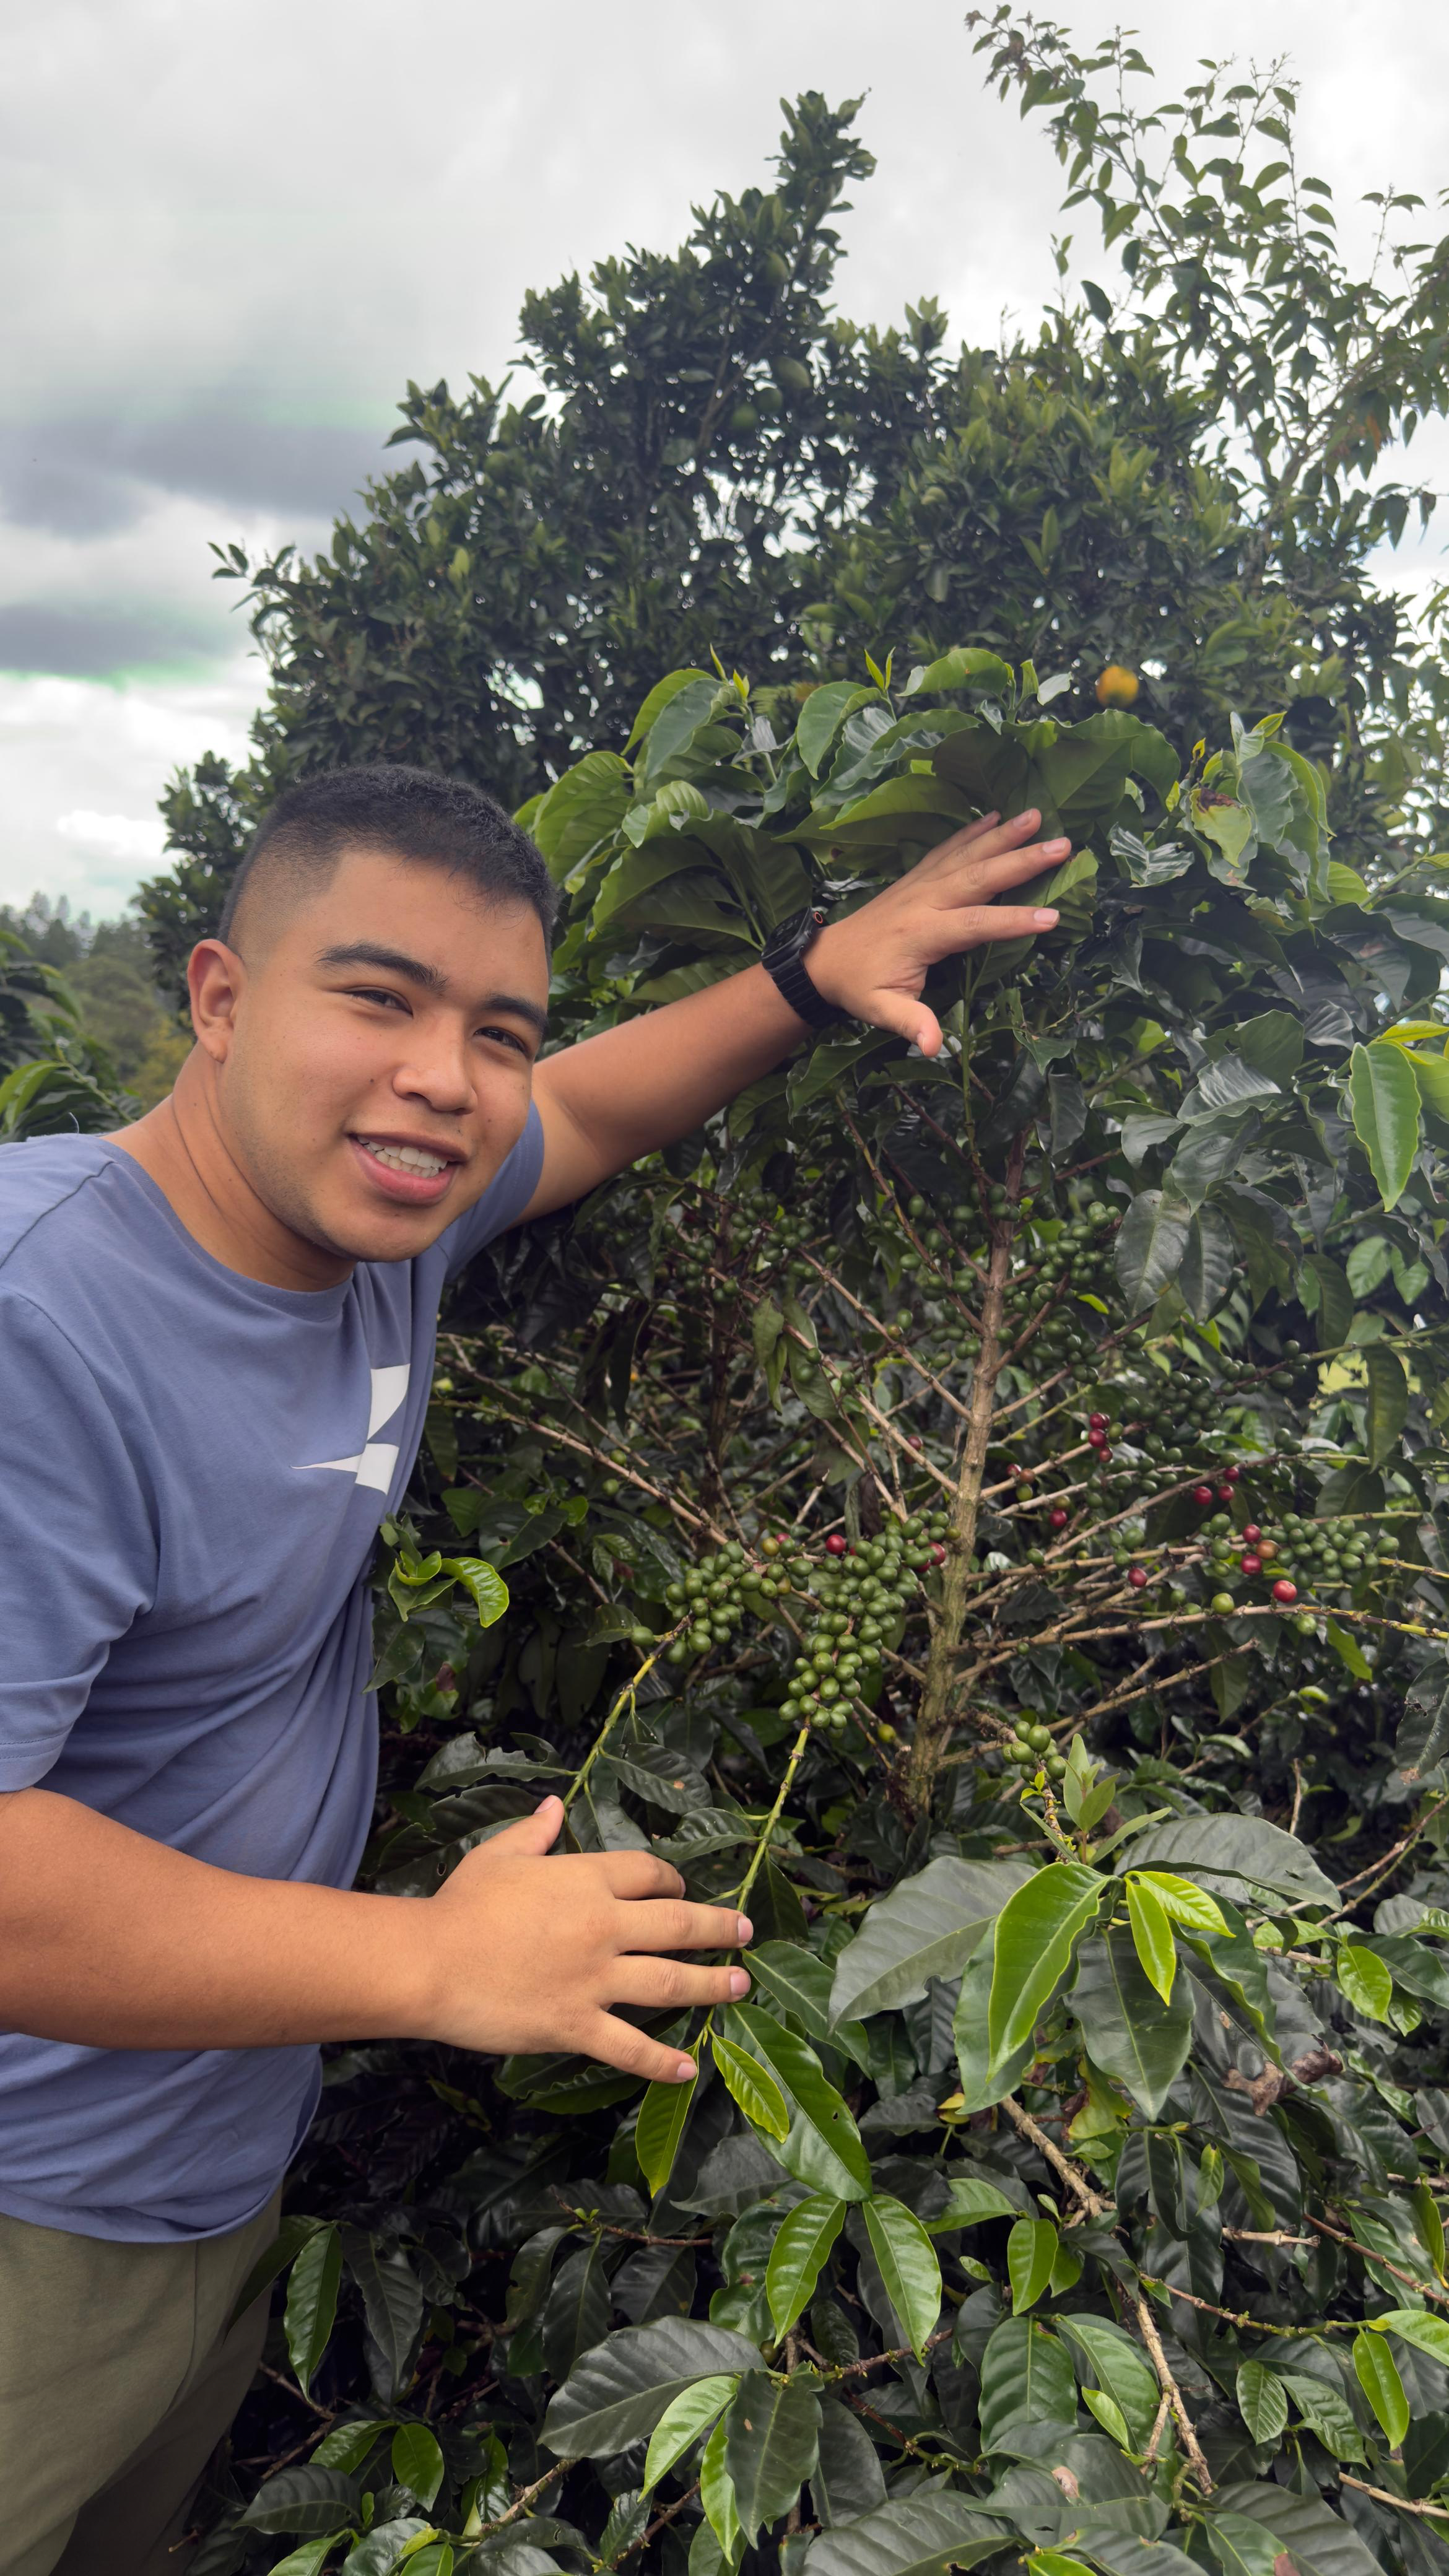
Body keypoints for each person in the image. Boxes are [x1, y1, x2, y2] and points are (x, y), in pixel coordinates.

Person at [0, 761, 1067, 2571]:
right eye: (377, 999)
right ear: (218, 996)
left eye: (494, 1025)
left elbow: (577, 1113)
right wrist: (430, 1958)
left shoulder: (376, 1219)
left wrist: (812, 977)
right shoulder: (44, 1323)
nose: (446, 1076)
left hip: (203, 2176)